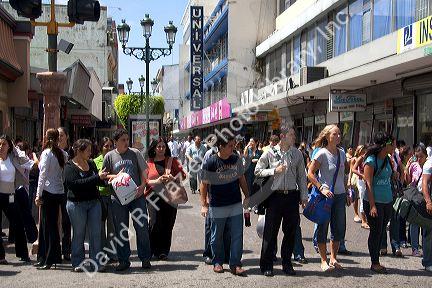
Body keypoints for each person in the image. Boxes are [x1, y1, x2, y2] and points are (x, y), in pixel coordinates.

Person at [255, 128, 308, 277]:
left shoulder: (297, 153)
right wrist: (273, 171)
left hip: (291, 196)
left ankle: (287, 263)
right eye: (292, 134)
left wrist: (304, 196)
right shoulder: (270, 152)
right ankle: (267, 265)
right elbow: (257, 171)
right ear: (283, 137)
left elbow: (302, 177)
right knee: (270, 233)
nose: (294, 137)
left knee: (290, 232)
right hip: (274, 197)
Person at [102, 129, 152, 272]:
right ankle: (124, 260)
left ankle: (145, 258)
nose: (126, 142)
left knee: (141, 227)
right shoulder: (110, 156)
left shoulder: (135, 153)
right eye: (122, 140)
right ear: (116, 142)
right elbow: (104, 177)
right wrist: (115, 176)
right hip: (118, 199)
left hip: (136, 197)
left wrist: (143, 186)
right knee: (121, 230)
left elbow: (144, 171)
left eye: (127, 139)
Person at [200, 134, 249, 276]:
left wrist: (247, 196)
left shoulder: (236, 160)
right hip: (217, 205)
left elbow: (242, 179)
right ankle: (218, 262)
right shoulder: (211, 161)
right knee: (217, 235)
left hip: (234, 203)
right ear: (220, 146)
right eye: (230, 146)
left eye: (234, 145)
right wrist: (204, 204)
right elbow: (203, 185)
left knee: (237, 235)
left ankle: (235, 264)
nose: (233, 148)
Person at [307, 124, 351, 272]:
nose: (338, 136)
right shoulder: (321, 153)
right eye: (334, 134)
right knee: (323, 227)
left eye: (339, 134)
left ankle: (333, 258)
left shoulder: (342, 153)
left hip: (339, 195)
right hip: (325, 197)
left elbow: (344, 174)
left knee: (338, 228)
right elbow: (310, 173)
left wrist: (347, 191)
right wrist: (321, 188)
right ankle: (323, 260)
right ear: (327, 136)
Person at [65, 139, 108, 272]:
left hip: (94, 203)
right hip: (76, 204)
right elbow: (75, 184)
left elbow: (97, 182)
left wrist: (107, 179)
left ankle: (96, 262)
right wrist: (97, 178)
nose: (90, 153)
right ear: (79, 151)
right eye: (88, 150)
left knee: (96, 234)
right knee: (79, 233)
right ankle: (78, 262)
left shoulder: (91, 164)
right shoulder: (69, 167)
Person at [145, 138, 186, 260]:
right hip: (153, 196)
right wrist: (157, 181)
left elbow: (183, 176)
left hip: (170, 196)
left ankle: (163, 251)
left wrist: (173, 178)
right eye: (158, 147)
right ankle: (152, 249)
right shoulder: (148, 163)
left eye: (163, 146)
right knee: (154, 223)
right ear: (153, 148)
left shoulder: (172, 161)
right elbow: (144, 181)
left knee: (168, 223)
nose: (161, 149)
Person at [34, 129, 69, 269]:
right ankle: (50, 257)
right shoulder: (63, 154)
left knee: (46, 226)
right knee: (53, 225)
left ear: (47, 138)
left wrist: (38, 194)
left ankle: (47, 258)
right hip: (59, 192)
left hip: (48, 192)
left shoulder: (47, 153)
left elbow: (42, 175)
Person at [363, 132, 395, 274]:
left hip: (387, 201)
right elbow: (368, 184)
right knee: (376, 232)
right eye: (392, 144)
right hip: (374, 202)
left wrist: (395, 174)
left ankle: (376, 260)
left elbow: (389, 177)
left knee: (382, 231)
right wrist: (372, 205)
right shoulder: (371, 160)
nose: (394, 146)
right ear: (385, 145)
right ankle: (374, 262)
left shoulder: (388, 159)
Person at [0, 135, 33, 264]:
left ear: (9, 147)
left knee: (18, 224)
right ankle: (1, 256)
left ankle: (23, 254)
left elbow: (28, 162)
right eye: (0, 144)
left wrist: (16, 149)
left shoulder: (13, 158)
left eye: (4, 144)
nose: (1, 147)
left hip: (10, 196)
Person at [93, 137, 117, 263]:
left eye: (110, 146)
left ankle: (112, 254)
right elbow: (97, 178)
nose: (108, 148)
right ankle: (101, 254)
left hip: (113, 196)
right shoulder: (96, 161)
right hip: (100, 197)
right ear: (101, 147)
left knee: (113, 227)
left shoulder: (115, 159)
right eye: (106, 146)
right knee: (100, 227)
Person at [404, 144, 428, 257]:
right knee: (414, 223)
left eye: (421, 156)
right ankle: (414, 248)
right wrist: (407, 169)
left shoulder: (429, 165)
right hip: (414, 196)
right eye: (417, 156)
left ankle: (425, 248)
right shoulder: (414, 165)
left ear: (426, 156)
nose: (419, 159)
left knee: (425, 224)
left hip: (425, 197)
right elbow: (408, 181)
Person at [57, 127, 72, 261]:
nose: (59, 137)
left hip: (66, 190)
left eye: (61, 135)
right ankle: (55, 249)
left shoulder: (71, 152)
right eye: (57, 135)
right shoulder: (51, 152)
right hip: (54, 190)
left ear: (66, 136)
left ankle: (66, 249)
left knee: (66, 221)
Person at [350, 145, 370, 229]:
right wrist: (361, 175)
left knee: (368, 200)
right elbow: (353, 169)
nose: (365, 152)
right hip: (361, 181)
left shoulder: (370, 158)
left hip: (369, 181)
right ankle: (363, 221)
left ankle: (367, 220)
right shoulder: (360, 158)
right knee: (362, 199)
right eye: (364, 150)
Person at [420, 149, 432, 272]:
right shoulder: (430, 163)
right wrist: (428, 201)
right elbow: (425, 183)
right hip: (431, 202)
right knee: (429, 232)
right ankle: (428, 261)